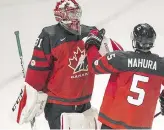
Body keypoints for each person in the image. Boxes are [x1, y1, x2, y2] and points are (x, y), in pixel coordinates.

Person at [11, 0, 123, 129]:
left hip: (84, 104)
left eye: (77, 13)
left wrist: (103, 41)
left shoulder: (90, 32)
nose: (75, 18)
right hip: (58, 107)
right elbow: (37, 72)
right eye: (71, 14)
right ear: (60, 16)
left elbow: (117, 56)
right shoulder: (49, 36)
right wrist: (30, 97)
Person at [85, 23, 164, 129]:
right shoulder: (162, 65)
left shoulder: (119, 58)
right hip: (140, 126)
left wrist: (92, 46)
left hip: (112, 123)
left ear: (135, 40)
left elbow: (94, 67)